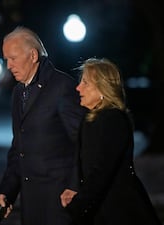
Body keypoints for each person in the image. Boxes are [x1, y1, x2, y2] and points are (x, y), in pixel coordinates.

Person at [0, 26, 87, 225]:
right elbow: (19, 146)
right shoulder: (19, 92)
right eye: (6, 59)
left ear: (33, 55)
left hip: (60, 199)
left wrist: (74, 186)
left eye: (13, 58)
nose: (8, 65)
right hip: (31, 200)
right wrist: (7, 191)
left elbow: (83, 140)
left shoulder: (61, 86)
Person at [60, 58, 162, 225]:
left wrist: (78, 204)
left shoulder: (113, 120)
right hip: (101, 209)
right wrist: (77, 192)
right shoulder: (92, 119)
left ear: (102, 88)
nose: (78, 88)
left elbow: (102, 171)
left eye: (85, 83)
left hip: (119, 212)